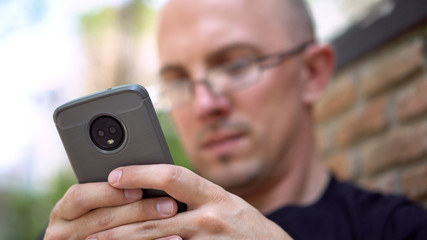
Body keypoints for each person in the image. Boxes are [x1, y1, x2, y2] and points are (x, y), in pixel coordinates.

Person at [43, 0, 427, 239]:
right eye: (178, 81)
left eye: (236, 65)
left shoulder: (398, 229)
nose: (204, 104)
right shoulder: (139, 232)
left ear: (312, 72)